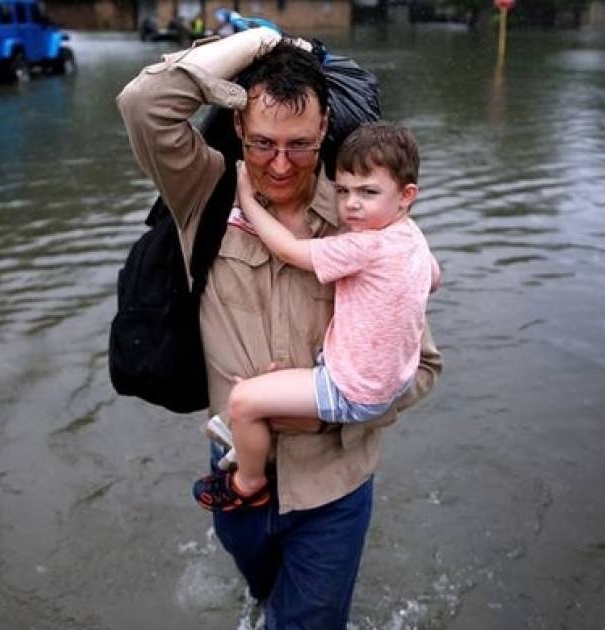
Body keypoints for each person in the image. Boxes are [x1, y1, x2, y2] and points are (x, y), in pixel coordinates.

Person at [117, 29, 441, 628]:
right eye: (263, 143)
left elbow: (421, 368)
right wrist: (262, 41)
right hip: (235, 484)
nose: (280, 164)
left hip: (333, 492)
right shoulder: (203, 194)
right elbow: (145, 103)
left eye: (299, 144)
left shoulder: (366, 224)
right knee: (266, 601)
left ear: (325, 132)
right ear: (238, 129)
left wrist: (329, 410)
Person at [192, 122, 441, 512]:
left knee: (242, 400)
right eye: (342, 190)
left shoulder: (363, 246)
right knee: (269, 387)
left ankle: (247, 482)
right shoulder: (412, 238)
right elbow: (434, 279)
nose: (351, 204)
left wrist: (248, 201)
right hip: (388, 383)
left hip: (350, 389)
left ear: (406, 196)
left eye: (368, 192)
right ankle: (251, 434)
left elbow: (291, 251)